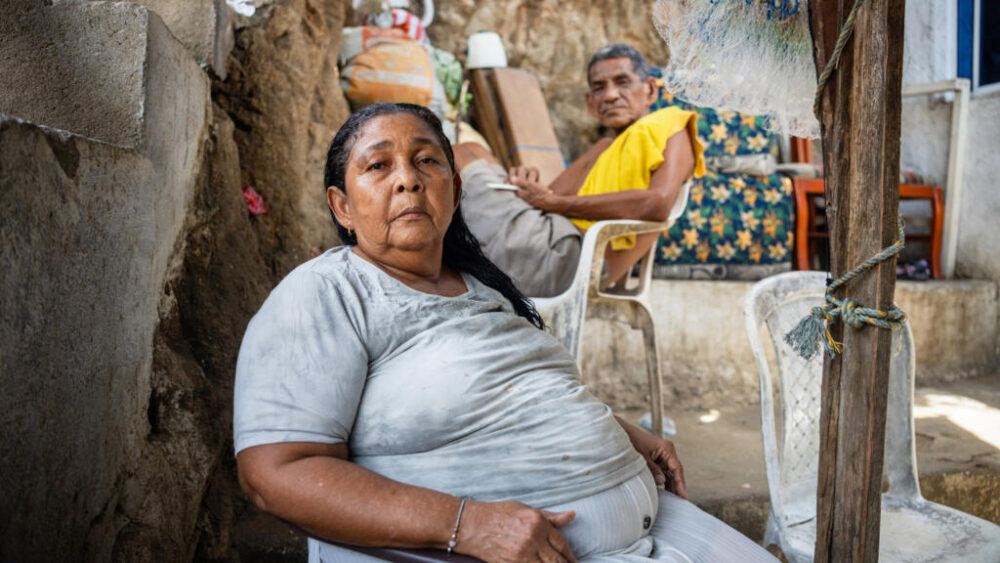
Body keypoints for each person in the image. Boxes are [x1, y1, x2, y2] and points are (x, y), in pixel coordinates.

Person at [234, 103, 774, 562]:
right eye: (379, 165)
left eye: (427, 161)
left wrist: (626, 433)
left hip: (650, 528)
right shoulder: (327, 292)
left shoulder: (482, 287)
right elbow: (274, 473)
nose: (408, 179)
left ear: (455, 191)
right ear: (342, 206)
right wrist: (466, 524)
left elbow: (515, 393)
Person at [456, 44, 705, 297]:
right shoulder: (605, 148)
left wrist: (555, 203)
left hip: (571, 262)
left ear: (650, 89)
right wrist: (527, 183)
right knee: (473, 150)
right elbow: (545, 202)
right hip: (551, 240)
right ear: (590, 103)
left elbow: (658, 203)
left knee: (456, 155)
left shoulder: (671, 124)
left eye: (622, 82)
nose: (610, 95)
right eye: (599, 88)